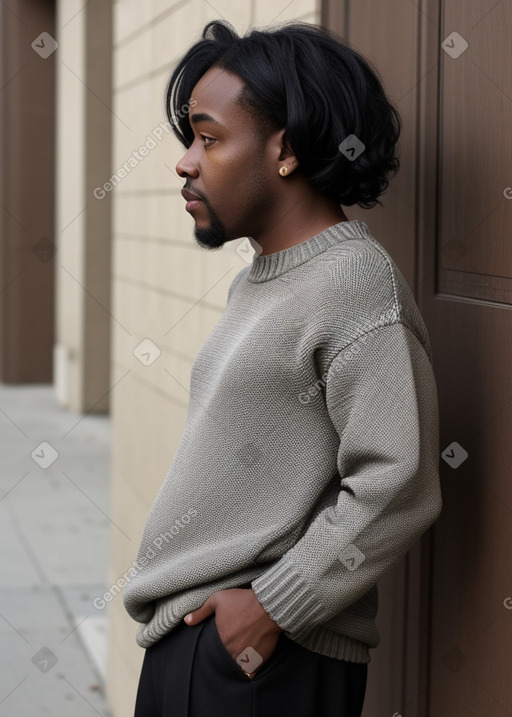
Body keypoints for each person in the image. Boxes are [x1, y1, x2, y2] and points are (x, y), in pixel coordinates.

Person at [123, 18, 443, 717]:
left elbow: (400, 480)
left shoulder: (355, 281)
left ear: (286, 149)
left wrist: (272, 606)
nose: (184, 161)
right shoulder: (262, 279)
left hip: (265, 661)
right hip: (197, 643)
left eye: (209, 138)